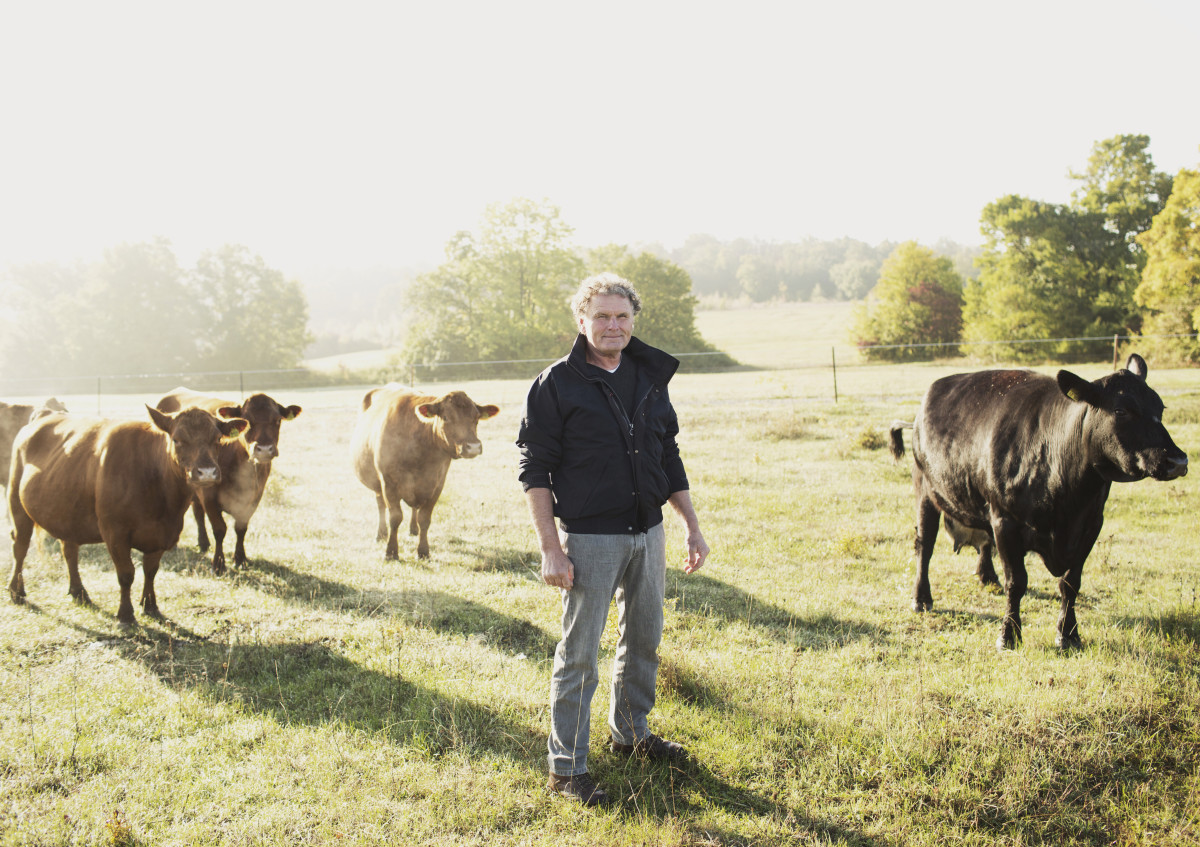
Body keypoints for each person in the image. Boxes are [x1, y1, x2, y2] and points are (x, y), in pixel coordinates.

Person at [517, 272, 710, 807]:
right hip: (589, 539)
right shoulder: (554, 384)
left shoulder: (649, 375)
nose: (612, 325)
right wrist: (550, 547)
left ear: (633, 321)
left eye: (622, 316)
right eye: (601, 316)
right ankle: (566, 769)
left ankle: (631, 735)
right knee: (580, 653)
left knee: (644, 638)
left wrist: (690, 524)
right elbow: (535, 469)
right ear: (581, 321)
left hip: (649, 532)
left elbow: (666, 454)